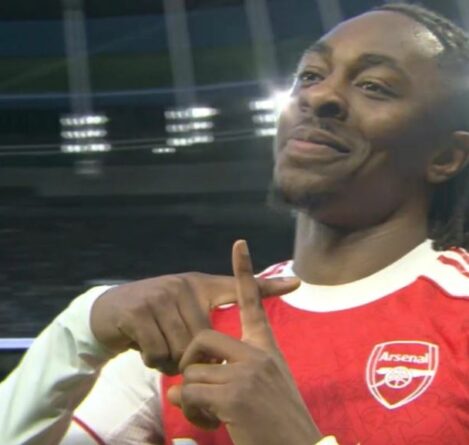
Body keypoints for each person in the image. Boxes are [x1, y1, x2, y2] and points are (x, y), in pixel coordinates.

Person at [1, 2, 469, 444]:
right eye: (310, 75)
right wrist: (82, 327)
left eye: (374, 86)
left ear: (445, 157)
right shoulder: (191, 333)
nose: (320, 95)